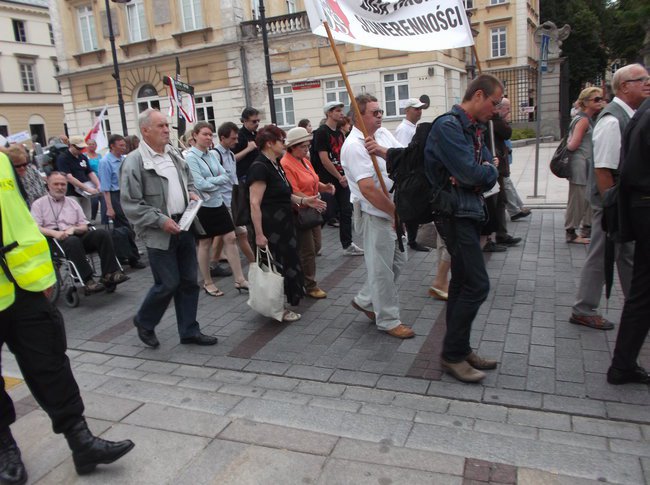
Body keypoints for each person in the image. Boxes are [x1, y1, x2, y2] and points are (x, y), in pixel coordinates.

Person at [0, 152, 134, 485]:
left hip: (25, 285)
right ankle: (4, 447)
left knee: (51, 365)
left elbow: (20, 218)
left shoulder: (2, 161)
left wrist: (45, 276)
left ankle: (81, 440)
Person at [423, 74, 502, 383]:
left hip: (467, 211)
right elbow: (472, 172)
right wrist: (485, 170)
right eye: (494, 103)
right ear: (479, 95)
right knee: (477, 285)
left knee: (461, 284)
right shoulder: (448, 126)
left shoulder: (474, 128)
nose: (496, 110)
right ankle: (452, 355)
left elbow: (481, 170)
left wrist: (483, 170)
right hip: (453, 214)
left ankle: (459, 348)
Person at [120, 109, 217, 348]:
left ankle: (189, 331)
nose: (166, 129)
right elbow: (130, 205)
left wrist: (192, 193)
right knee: (168, 283)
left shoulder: (173, 153)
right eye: (161, 126)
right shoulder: (134, 161)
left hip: (184, 224)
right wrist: (160, 220)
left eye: (167, 125)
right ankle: (144, 321)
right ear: (145, 131)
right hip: (158, 232)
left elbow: (187, 179)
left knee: (189, 282)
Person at [570, 64, 648, 330]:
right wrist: (612, 208)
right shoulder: (613, 120)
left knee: (623, 253)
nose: (647, 83)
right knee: (604, 253)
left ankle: (637, 305)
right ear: (625, 86)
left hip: (618, 202)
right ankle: (584, 308)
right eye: (642, 80)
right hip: (612, 204)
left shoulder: (628, 116)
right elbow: (603, 169)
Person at [342, 94, 414, 339]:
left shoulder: (382, 134)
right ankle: (388, 319)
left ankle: (365, 300)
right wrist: (394, 213)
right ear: (357, 117)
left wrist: (383, 152)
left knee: (398, 261)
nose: (380, 115)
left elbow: (401, 156)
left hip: (392, 209)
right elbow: (368, 189)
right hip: (375, 214)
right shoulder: (353, 146)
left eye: (380, 111)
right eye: (374, 112)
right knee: (382, 269)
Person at [248, 125, 326, 322]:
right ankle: (277, 308)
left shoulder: (274, 164)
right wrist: (258, 234)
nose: (284, 144)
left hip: (284, 224)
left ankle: (278, 304)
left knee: (286, 262)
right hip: (270, 226)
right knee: (275, 266)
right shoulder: (259, 166)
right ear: (269, 143)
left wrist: (303, 201)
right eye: (281, 141)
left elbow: (283, 194)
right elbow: (254, 203)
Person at [607, 96, 650, 385]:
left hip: (639, 204)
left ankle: (622, 364)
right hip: (643, 203)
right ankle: (622, 365)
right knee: (643, 291)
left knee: (642, 290)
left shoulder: (641, 112)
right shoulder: (627, 115)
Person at [31, 171, 129, 293]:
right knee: (72, 241)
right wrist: (55, 233)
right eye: (56, 184)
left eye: (63, 184)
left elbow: (84, 225)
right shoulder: (39, 204)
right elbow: (36, 228)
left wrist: (74, 229)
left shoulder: (72, 202)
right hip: (56, 239)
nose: (60, 187)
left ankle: (109, 274)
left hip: (76, 233)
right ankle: (88, 280)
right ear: (48, 185)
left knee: (102, 233)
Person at [185, 122, 249, 297]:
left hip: (217, 202)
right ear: (195, 135)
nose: (208, 138)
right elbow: (199, 184)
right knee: (205, 243)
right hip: (203, 206)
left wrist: (213, 183)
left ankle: (240, 279)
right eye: (205, 134)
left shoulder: (211, 154)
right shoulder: (191, 157)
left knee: (230, 237)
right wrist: (216, 182)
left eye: (210, 134)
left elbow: (225, 176)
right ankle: (207, 282)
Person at [280, 127, 335, 299]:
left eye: (308, 146)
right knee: (308, 250)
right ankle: (309, 285)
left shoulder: (304, 160)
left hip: (311, 210)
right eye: (304, 146)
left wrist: (324, 187)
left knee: (316, 246)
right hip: (299, 212)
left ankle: (299, 276)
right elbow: (294, 191)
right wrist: (311, 200)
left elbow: (313, 179)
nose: (307, 149)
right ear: (293, 146)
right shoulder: (286, 164)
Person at [312, 101, 363, 256]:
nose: (341, 113)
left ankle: (347, 244)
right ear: (329, 113)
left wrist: (345, 175)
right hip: (328, 179)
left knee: (346, 211)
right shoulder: (322, 132)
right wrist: (338, 176)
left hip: (342, 178)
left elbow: (341, 155)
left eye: (341, 110)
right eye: (338, 111)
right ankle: (312, 244)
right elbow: (324, 158)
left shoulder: (339, 133)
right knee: (326, 213)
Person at [98, 134, 145, 269]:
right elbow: (105, 188)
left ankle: (124, 255)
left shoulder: (125, 159)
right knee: (125, 227)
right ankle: (133, 258)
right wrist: (109, 207)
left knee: (127, 227)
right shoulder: (105, 162)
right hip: (115, 196)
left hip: (127, 193)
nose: (124, 148)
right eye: (121, 145)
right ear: (112, 146)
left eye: (124, 145)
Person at [212, 121, 255, 264]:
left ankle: (213, 261)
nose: (236, 141)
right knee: (241, 234)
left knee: (221, 234)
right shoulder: (215, 154)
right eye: (233, 138)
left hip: (233, 199)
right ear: (222, 138)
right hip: (224, 202)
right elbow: (213, 179)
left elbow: (233, 178)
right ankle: (255, 263)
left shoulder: (230, 154)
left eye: (236, 138)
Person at [564, 87, 603, 244]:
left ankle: (585, 229)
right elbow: (572, 145)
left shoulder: (585, 118)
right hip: (580, 164)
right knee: (578, 199)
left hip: (584, 164)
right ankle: (571, 232)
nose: (600, 102)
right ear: (585, 102)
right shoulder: (583, 120)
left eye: (601, 99)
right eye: (596, 99)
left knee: (585, 198)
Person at [393, 98, 431, 252]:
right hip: (409, 175)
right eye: (416, 109)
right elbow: (404, 152)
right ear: (407, 110)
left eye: (420, 109)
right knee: (409, 207)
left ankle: (411, 238)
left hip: (415, 173)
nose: (419, 111)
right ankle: (409, 238)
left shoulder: (414, 127)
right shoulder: (404, 129)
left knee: (413, 206)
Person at [500, 98, 531, 222]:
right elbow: (506, 133)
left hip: (504, 157)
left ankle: (519, 206)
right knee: (506, 184)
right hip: (501, 159)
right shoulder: (497, 121)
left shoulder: (500, 121)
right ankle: (514, 210)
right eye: (507, 108)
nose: (509, 111)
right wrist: (505, 122)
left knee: (508, 183)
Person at [56, 135, 101, 220]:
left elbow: (90, 172)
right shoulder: (63, 158)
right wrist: (87, 189)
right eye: (79, 148)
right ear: (71, 146)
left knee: (87, 216)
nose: (81, 150)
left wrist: (98, 184)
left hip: (84, 192)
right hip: (71, 192)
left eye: (82, 148)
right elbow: (69, 177)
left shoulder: (82, 157)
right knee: (75, 216)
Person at [233, 107, 260, 183]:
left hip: (258, 174)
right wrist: (248, 149)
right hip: (245, 177)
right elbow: (232, 158)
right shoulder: (238, 136)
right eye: (254, 121)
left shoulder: (257, 134)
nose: (257, 123)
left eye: (258, 121)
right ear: (245, 121)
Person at [85, 139, 104, 221]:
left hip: (101, 180)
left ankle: (105, 220)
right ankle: (92, 218)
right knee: (94, 201)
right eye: (89, 144)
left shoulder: (99, 155)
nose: (91, 146)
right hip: (91, 181)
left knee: (104, 201)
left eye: (93, 144)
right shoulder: (85, 156)